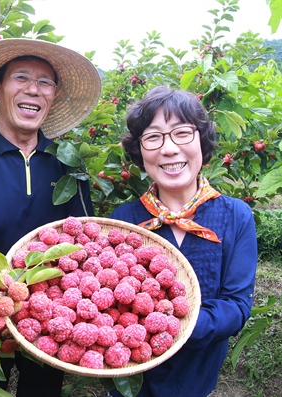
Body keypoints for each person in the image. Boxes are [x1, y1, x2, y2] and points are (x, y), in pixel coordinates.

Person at [0, 38, 102, 396]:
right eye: (21, 77)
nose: (33, 89)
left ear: (53, 95)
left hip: (50, 316)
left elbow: (85, 241)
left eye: (44, 82)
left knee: (42, 390)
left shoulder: (67, 163)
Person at [109, 86, 258, 397]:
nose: (169, 148)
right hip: (132, 376)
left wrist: (171, 327)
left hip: (197, 378)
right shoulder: (123, 219)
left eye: (182, 133)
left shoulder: (236, 216)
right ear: (140, 153)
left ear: (201, 142)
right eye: (153, 137)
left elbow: (236, 305)